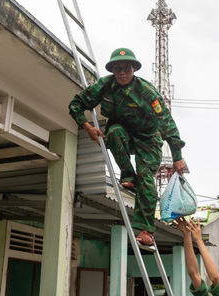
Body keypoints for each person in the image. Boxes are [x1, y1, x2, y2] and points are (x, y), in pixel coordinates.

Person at [68, 48, 186, 245]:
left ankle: (146, 231)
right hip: (123, 135)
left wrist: (177, 155)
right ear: (113, 70)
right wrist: (87, 126)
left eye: (127, 68)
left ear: (134, 69)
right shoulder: (105, 85)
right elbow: (76, 104)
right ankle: (127, 174)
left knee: (146, 178)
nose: (122, 72)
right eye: (117, 68)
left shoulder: (146, 91)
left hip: (149, 139)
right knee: (114, 131)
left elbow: (165, 121)